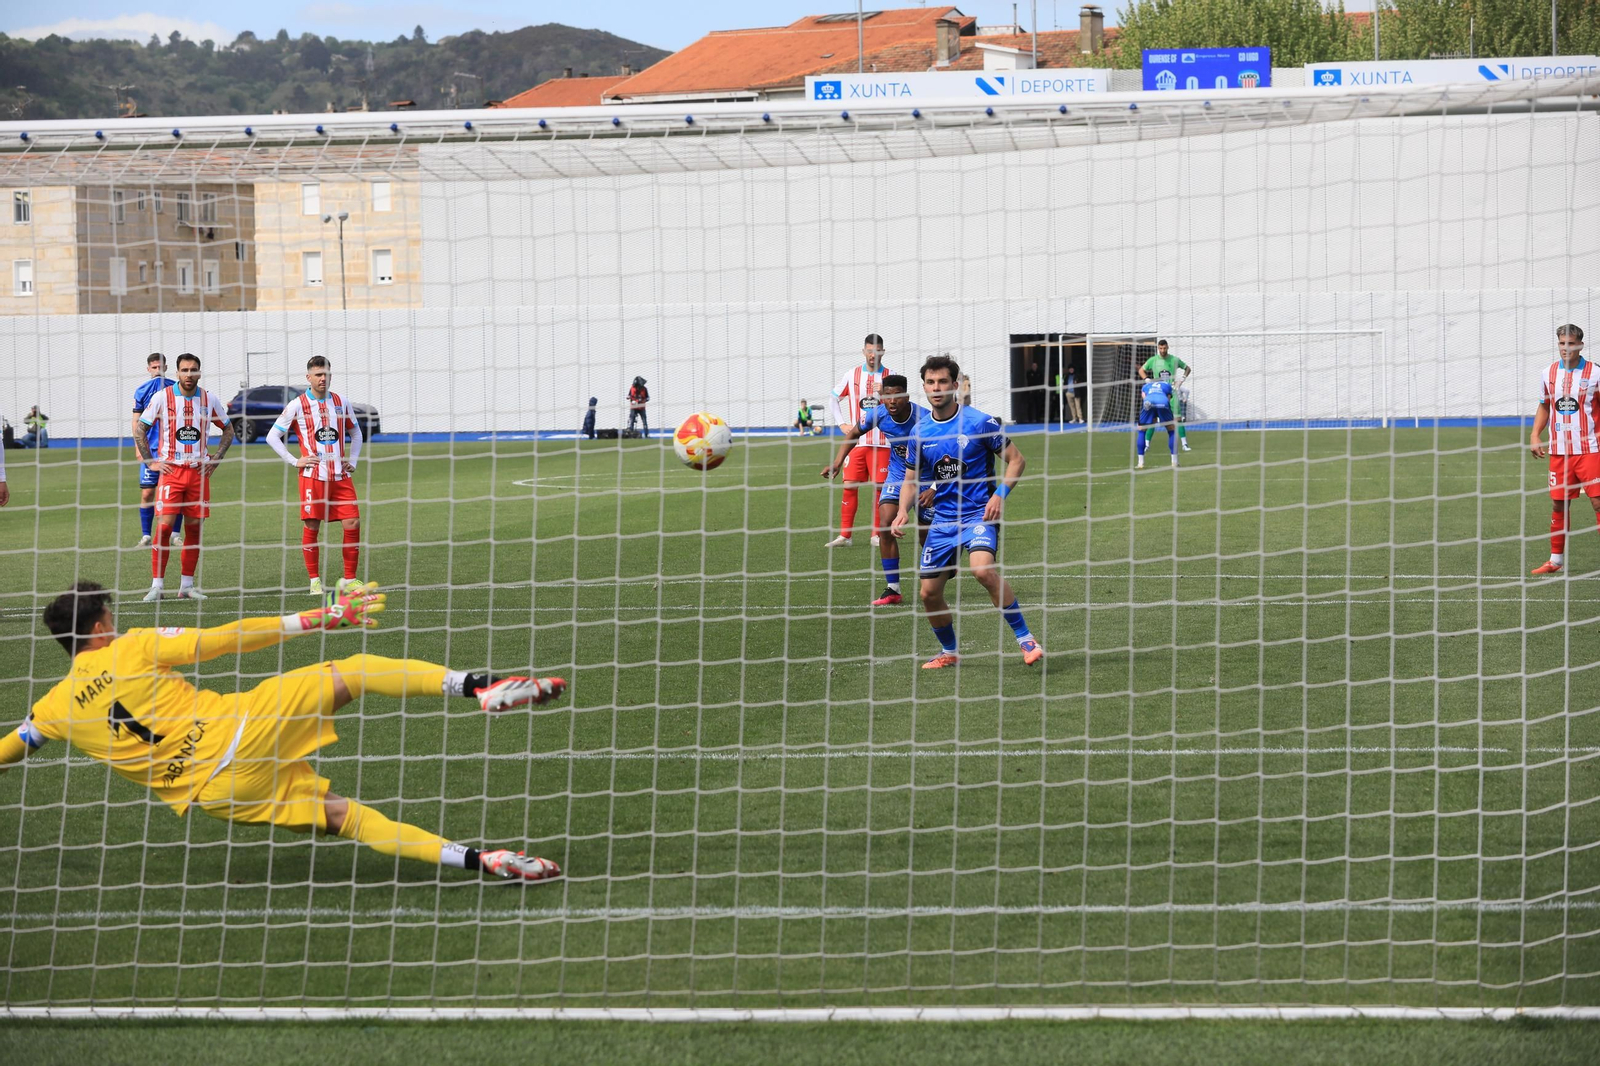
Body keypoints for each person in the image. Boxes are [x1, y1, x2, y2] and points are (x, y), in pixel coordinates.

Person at [0, 580, 567, 884]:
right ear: (100, 629)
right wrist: (322, 617)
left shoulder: (51, 708)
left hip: (216, 796)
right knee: (359, 669)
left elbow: (11, 750)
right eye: (110, 617)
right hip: (243, 727)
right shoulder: (132, 645)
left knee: (347, 818)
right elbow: (229, 637)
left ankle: (480, 860)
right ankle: (478, 687)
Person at [890, 355, 1042, 669]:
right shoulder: (920, 433)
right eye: (931, 383)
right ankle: (949, 652)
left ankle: (1026, 639)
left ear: (955, 385)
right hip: (943, 520)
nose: (937, 388)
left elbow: (1017, 460)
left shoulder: (979, 422)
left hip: (978, 515)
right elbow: (909, 480)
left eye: (943, 381)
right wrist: (902, 510)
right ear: (924, 387)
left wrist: (999, 494)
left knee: (982, 570)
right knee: (928, 593)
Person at [822, 373, 934, 606]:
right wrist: (837, 461)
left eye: (897, 396)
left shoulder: (924, 419)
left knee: (927, 536)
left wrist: (934, 486)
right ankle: (893, 588)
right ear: (881, 397)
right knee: (884, 525)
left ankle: (941, 567)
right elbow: (853, 433)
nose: (892, 401)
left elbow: (945, 453)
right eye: (887, 396)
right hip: (897, 474)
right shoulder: (879, 414)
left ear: (907, 396)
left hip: (925, 476)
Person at [134, 353, 234, 601]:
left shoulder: (209, 399)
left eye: (194, 370)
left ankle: (186, 586)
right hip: (172, 472)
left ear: (200, 372)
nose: (189, 375)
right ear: (177, 373)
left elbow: (228, 429)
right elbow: (140, 429)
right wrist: (151, 461)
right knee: (165, 528)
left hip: (199, 474)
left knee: (193, 531)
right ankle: (157, 586)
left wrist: (216, 459)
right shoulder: (162, 397)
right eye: (185, 370)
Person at [266, 356, 365, 597]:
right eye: (318, 374)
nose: (323, 378)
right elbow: (272, 436)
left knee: (352, 522)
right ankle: (314, 581)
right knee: (312, 525)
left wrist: (352, 461)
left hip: (340, 476)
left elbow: (356, 433)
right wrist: (294, 460)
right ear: (308, 377)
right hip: (312, 476)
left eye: (326, 374)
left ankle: (350, 579)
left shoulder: (341, 402)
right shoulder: (297, 405)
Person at [1530, 324, 1598, 576]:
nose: (1565, 348)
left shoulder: (1594, 373)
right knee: (1559, 505)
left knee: (1598, 503)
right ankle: (1555, 561)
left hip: (1590, 449)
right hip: (1559, 452)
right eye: (1561, 344)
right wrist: (1535, 433)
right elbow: (1544, 406)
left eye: (1570, 344)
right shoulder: (1547, 373)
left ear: (1580, 344)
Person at [826, 333, 890, 548]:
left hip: (882, 442)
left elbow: (901, 404)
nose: (873, 355)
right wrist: (842, 424)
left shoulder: (891, 376)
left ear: (883, 351)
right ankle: (845, 535)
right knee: (850, 485)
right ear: (864, 351)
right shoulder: (852, 375)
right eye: (869, 351)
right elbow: (833, 398)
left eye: (877, 350)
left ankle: (877, 534)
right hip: (857, 442)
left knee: (880, 488)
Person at [132, 352, 183, 549]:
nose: (157, 371)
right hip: (150, 451)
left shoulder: (174, 388)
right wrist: (138, 446)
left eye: (160, 367)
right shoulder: (142, 390)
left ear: (166, 367)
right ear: (148, 369)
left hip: (172, 450)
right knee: (147, 494)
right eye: (153, 368)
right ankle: (146, 536)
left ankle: (176, 535)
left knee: (176, 493)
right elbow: (136, 420)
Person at [1138, 339, 1191, 452]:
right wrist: (1146, 379)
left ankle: (1184, 444)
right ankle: (1147, 444)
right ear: (1158, 348)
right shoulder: (1153, 360)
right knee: (1152, 419)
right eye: (1160, 348)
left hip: (1172, 392)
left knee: (1177, 419)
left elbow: (1187, 368)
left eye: (1164, 348)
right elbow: (1141, 370)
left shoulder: (1174, 360)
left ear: (1168, 347)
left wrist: (1181, 380)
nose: (1162, 350)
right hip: (1158, 394)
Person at [1136, 377, 1178, 469]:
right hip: (1163, 402)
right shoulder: (1167, 385)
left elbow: (1144, 398)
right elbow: (1168, 398)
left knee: (1141, 430)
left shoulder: (1146, 386)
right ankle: (1174, 461)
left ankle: (1140, 463)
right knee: (1171, 430)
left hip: (1148, 402)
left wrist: (1153, 416)